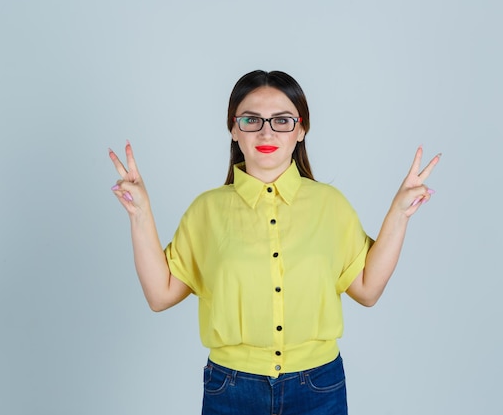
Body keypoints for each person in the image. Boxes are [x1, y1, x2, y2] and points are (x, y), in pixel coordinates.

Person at [109, 70, 441, 415]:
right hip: (232, 388)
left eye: (281, 120)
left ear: (301, 129)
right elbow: (160, 295)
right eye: (251, 120)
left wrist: (400, 213)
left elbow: (367, 290)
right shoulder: (206, 210)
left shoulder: (331, 205)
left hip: (318, 386)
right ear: (234, 129)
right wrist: (140, 214)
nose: (266, 132)